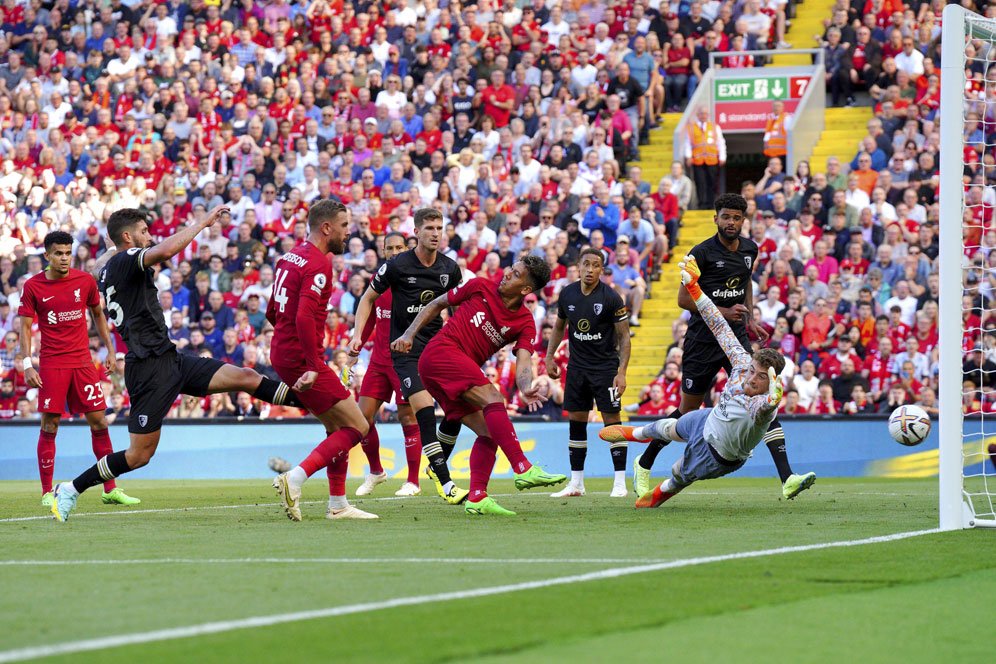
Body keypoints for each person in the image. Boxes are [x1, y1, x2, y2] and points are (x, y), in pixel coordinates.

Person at [51, 207, 308, 522]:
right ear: (129, 237)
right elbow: (167, 250)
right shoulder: (126, 258)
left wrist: (108, 251)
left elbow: (101, 264)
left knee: (245, 375)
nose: (150, 236)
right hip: (147, 369)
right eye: (144, 231)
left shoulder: (108, 266)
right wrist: (202, 222)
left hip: (170, 358)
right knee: (139, 455)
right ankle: (70, 489)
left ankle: (311, 399)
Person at [633, 194, 815, 501]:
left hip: (736, 338)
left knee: (763, 394)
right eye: (726, 217)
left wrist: (750, 315)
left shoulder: (749, 249)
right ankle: (645, 461)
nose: (731, 222)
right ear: (715, 218)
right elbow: (683, 299)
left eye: (736, 217)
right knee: (688, 409)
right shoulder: (701, 252)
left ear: (744, 220)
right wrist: (723, 310)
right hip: (703, 340)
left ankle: (787, 478)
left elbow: (745, 283)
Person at [600, 254, 786, 508]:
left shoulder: (765, 403)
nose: (752, 377)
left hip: (717, 454)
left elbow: (762, 409)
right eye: (753, 370)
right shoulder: (743, 362)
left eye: (761, 377)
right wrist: (695, 288)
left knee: (678, 475)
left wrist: (772, 401)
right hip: (707, 420)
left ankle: (658, 494)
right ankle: (634, 433)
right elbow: (718, 323)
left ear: (771, 383)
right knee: (669, 426)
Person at [391, 257, 567, 515]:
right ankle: (522, 468)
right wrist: (409, 334)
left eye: (516, 274)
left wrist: (526, 386)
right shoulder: (480, 286)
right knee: (494, 398)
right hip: (441, 353)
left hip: (450, 371)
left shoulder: (525, 322)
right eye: (511, 268)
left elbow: (525, 360)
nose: (507, 274)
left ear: (526, 289)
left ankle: (477, 496)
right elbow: (438, 302)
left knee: (490, 433)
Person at [349, 208, 468, 504]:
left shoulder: (447, 269)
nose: (435, 232)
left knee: (438, 411)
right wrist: (354, 341)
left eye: (439, 227)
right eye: (429, 227)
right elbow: (367, 305)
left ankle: (421, 476)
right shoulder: (392, 273)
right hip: (391, 356)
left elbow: (456, 308)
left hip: (428, 352)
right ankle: (390, 473)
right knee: (370, 417)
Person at [270, 200, 378, 521]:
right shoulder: (318, 264)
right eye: (344, 226)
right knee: (358, 425)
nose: (348, 232)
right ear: (327, 228)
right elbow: (303, 316)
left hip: (284, 353)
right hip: (301, 359)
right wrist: (313, 365)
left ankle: (338, 504)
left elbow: (273, 313)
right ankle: (295, 478)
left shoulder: (288, 258)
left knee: (336, 426)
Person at [18, 231, 139, 508]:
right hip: (52, 364)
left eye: (67, 253)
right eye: (58, 253)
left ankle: (110, 488)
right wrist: (27, 364)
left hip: (83, 363)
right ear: (47, 255)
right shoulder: (33, 286)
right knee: (50, 425)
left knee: (99, 421)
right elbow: (25, 328)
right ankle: (47, 492)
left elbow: (98, 314)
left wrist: (110, 350)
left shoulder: (84, 280)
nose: (64, 258)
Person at [544, 248, 631, 498]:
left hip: (605, 369)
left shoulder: (611, 298)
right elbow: (559, 327)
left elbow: (624, 337)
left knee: (613, 424)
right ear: (578, 267)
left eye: (596, 265)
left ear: (602, 270)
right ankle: (576, 483)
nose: (590, 270)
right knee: (576, 424)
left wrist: (621, 372)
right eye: (586, 265)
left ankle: (619, 483)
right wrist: (550, 357)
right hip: (577, 369)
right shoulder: (567, 293)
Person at [349, 231, 423, 497]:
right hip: (379, 360)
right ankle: (376, 471)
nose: (393, 252)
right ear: (383, 251)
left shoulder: (415, 281)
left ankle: (413, 481)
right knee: (362, 418)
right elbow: (369, 317)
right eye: (389, 247)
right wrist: (357, 342)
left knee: (407, 417)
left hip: (404, 360)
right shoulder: (378, 280)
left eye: (398, 247)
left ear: (407, 248)